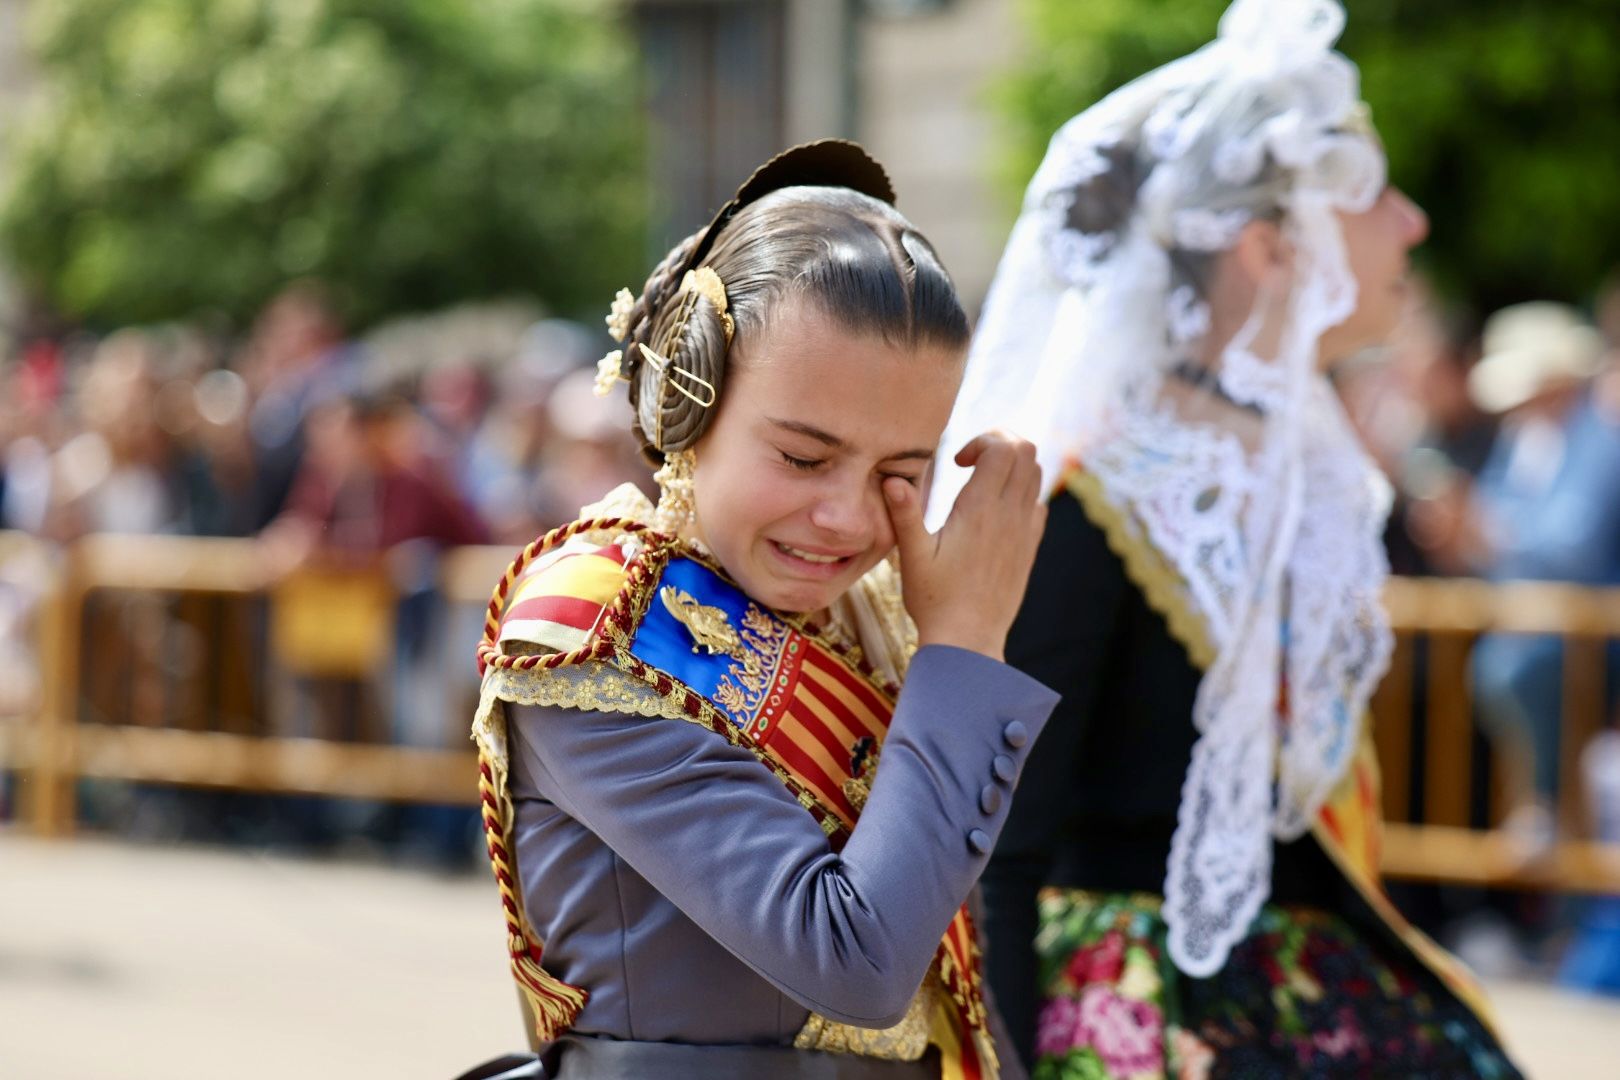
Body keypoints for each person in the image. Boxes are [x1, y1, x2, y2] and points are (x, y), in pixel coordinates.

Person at [929, 2, 1521, 1075]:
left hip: (1299, 982)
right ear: (1270, 243)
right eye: (1371, 192)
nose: (1414, 220)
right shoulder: (1086, 494)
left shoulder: (1317, 476)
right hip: (1134, 1015)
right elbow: (994, 861)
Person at [465, 141, 1055, 1079]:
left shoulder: (876, 612)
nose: (851, 517)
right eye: (804, 458)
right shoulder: (595, 627)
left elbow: (956, 991)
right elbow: (855, 961)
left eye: (902, 471)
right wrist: (969, 645)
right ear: (683, 402)